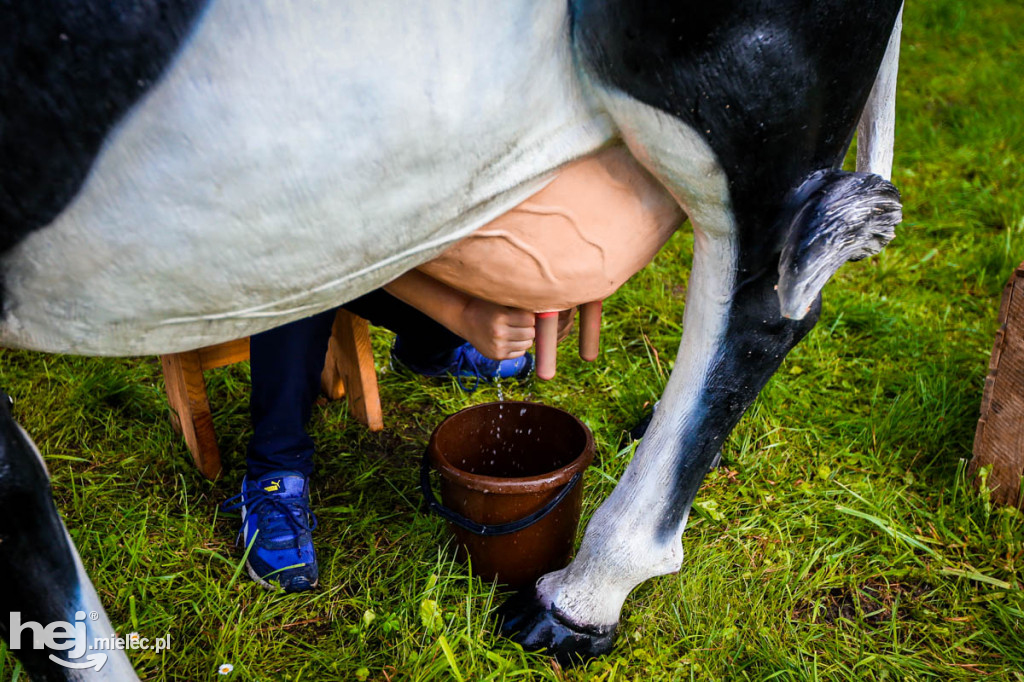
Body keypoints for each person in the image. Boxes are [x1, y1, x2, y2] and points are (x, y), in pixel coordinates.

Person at [223, 272, 561, 592]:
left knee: (463, 270)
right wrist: (462, 312)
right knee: (299, 276)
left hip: (377, 251)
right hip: (282, 252)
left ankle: (431, 353)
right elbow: (316, 245)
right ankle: (275, 469)